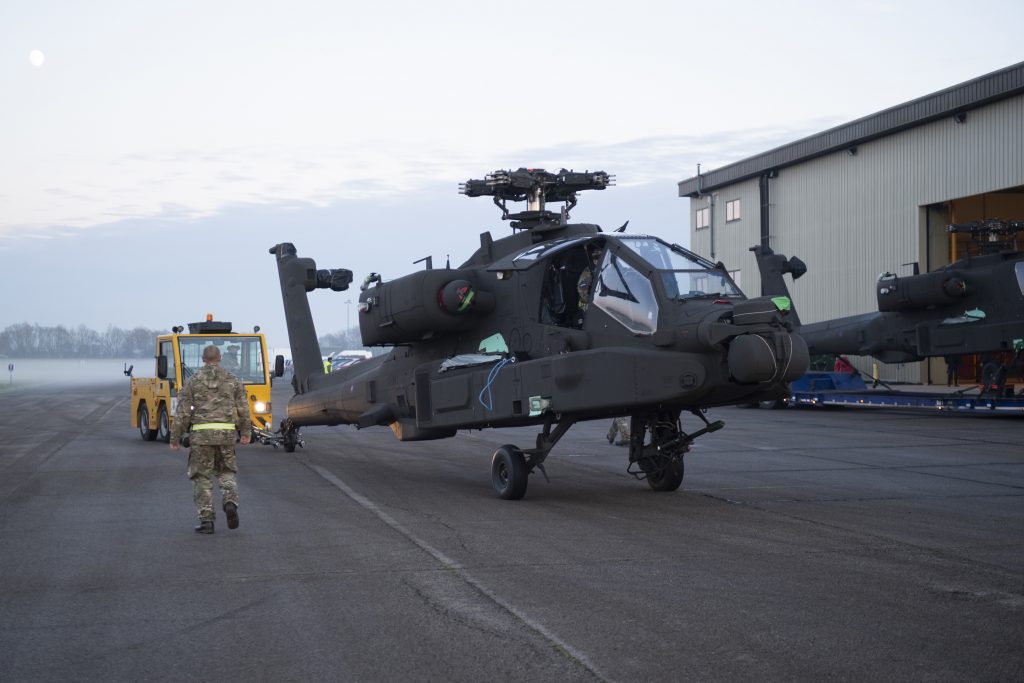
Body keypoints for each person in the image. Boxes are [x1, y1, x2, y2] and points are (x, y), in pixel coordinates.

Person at [170, 345, 251, 534]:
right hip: (226, 436)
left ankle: (207, 521)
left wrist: (175, 437)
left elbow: (182, 413)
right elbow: (243, 409)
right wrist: (246, 432)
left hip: (201, 437)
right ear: (220, 358)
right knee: (227, 472)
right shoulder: (233, 381)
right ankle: (230, 501)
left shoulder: (193, 382)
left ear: (203, 359)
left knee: (201, 477)